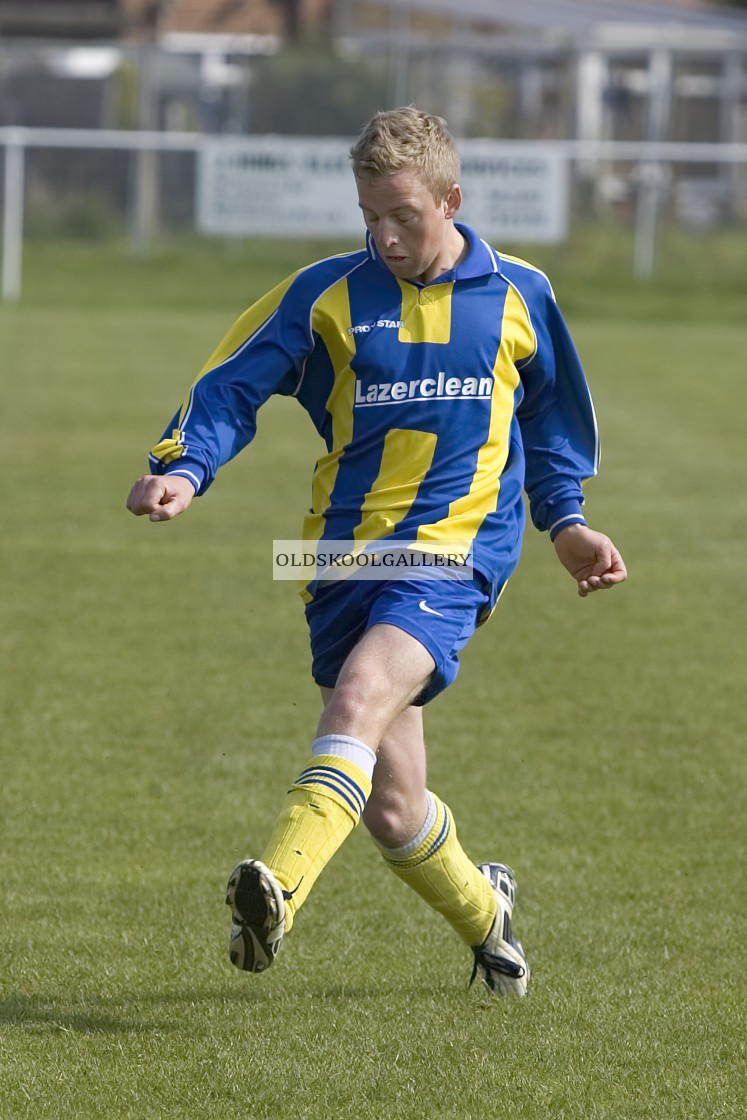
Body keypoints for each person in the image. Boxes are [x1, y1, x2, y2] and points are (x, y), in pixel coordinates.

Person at [126, 107, 627, 998]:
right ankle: (489, 918)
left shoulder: (519, 295)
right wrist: (185, 468)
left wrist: (566, 523)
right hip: (334, 561)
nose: (385, 237)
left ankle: (277, 887)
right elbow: (229, 385)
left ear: (451, 200)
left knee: (357, 695)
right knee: (395, 813)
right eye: (369, 217)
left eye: (403, 216)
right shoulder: (326, 294)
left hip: (454, 555)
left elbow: (551, 425)